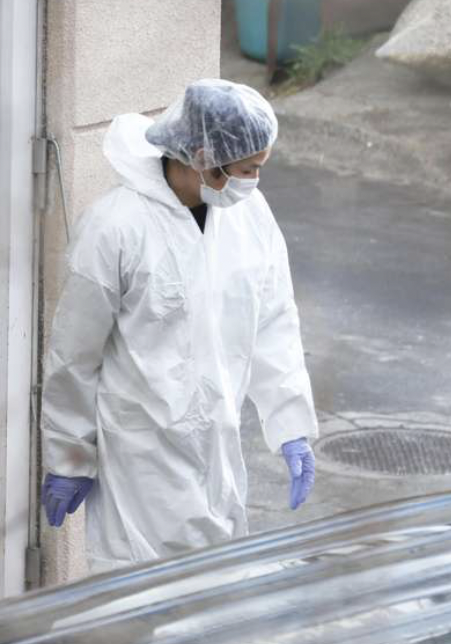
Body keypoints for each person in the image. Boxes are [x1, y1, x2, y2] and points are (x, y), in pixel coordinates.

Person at [38, 79, 318, 574]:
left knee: (212, 590)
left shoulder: (248, 216)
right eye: (247, 169)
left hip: (217, 448)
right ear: (204, 159)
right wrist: (69, 457)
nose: (255, 181)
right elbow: (75, 355)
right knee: (138, 596)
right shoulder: (115, 226)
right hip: (141, 458)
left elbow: (274, 321)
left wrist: (290, 425)